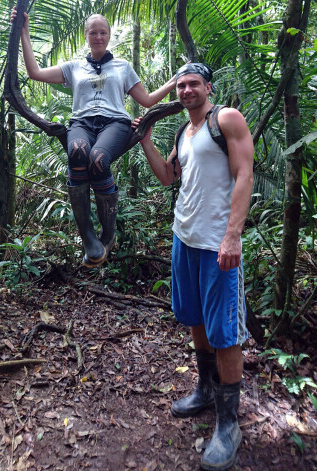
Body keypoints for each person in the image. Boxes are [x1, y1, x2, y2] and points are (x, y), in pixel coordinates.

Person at [137, 63, 254, 470]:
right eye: (181, 84)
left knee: (224, 331)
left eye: (193, 84)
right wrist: (147, 141)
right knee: (195, 318)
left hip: (216, 245)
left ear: (207, 87)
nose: (186, 90)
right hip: (184, 239)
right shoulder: (183, 133)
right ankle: (205, 389)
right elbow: (169, 177)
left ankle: (228, 423)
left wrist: (232, 235)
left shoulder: (225, 119)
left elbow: (244, 175)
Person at [11, 7, 176, 267]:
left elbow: (146, 100)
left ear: (109, 35)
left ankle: (107, 235)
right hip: (82, 123)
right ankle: (87, 236)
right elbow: (35, 73)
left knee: (98, 159)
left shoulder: (123, 67)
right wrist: (24, 32)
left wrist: (175, 81)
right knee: (77, 151)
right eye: (93, 32)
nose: (98, 36)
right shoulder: (73, 67)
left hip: (115, 123)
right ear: (86, 35)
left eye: (103, 32)